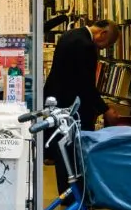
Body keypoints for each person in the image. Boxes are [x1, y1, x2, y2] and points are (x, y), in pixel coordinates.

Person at [42, 19, 121, 196]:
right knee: (76, 153)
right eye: (104, 46)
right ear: (103, 33)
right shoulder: (85, 45)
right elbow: (85, 84)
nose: (101, 49)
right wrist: (104, 109)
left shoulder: (69, 35)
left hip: (57, 102)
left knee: (64, 153)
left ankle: (67, 194)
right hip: (73, 108)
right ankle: (77, 196)